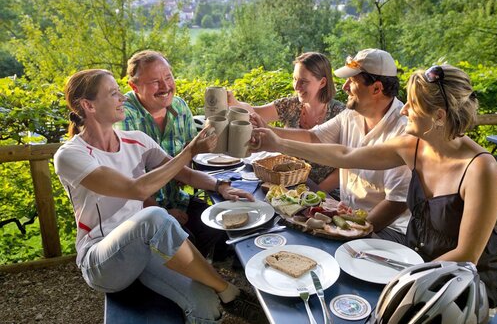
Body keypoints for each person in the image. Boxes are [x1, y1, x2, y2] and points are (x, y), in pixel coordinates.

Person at [253, 64, 497, 308]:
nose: (403, 110)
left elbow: (467, 255)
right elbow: (345, 155)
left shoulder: (481, 168)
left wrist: (402, 283)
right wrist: (278, 144)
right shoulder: (413, 146)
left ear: (438, 116)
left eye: (412, 105)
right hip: (414, 263)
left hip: (459, 285)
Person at [54, 69, 244, 323]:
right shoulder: (71, 155)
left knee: (206, 307)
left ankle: (218, 291)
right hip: (102, 259)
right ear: (88, 105)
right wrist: (190, 150)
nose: (122, 97)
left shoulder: (137, 141)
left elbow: (183, 173)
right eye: (113, 93)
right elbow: (137, 190)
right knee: (154, 215)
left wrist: (220, 186)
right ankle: (226, 288)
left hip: (145, 247)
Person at [253, 48, 412, 243]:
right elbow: (312, 137)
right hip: (346, 215)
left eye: (352, 81)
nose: (345, 86)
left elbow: (396, 203)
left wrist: (349, 232)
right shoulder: (352, 114)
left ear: (377, 88)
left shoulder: (403, 131)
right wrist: (267, 132)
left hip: (386, 229)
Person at [116, 50, 253, 259]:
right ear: (134, 86)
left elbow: (190, 155)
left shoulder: (179, 106)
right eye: (154, 81)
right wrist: (161, 214)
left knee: (222, 225)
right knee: (186, 242)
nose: (165, 86)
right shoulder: (124, 117)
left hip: (176, 199)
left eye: (168, 77)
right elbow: (128, 184)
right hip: (142, 214)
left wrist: (222, 186)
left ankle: (205, 272)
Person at [227, 52, 345, 192]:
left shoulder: (340, 114)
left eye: (303, 81)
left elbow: (344, 167)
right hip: (288, 186)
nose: (296, 86)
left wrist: (315, 194)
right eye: (294, 79)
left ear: (323, 82)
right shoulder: (291, 104)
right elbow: (255, 113)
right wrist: (233, 102)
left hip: (325, 192)